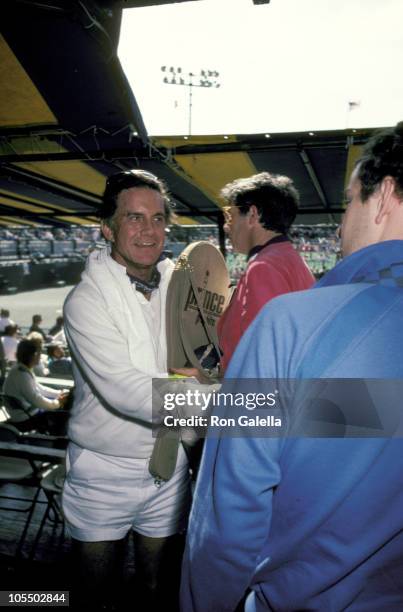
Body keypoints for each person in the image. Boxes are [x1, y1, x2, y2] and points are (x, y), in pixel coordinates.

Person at [181, 122, 403, 611]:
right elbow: (365, 418)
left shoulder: (282, 303)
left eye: (349, 202)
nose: (342, 224)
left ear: (384, 197)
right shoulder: (296, 268)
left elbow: (230, 514)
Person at [62, 170, 192, 610]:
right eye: (134, 218)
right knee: (93, 597)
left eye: (158, 219)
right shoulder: (85, 300)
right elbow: (127, 392)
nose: (149, 230)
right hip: (103, 473)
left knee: (158, 590)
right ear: (108, 227)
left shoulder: (180, 288)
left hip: (169, 465)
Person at [217, 172, 314, 373]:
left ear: (252, 215)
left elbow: (264, 359)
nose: (227, 227)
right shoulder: (287, 259)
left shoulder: (263, 268)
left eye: (230, 216)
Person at [3, 338, 68, 432]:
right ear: (32, 356)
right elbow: (37, 400)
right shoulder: (22, 375)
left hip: (23, 413)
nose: (40, 356)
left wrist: (59, 393)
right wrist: (58, 403)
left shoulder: (20, 369)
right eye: (38, 353)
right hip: (25, 418)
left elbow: (40, 389)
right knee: (60, 415)